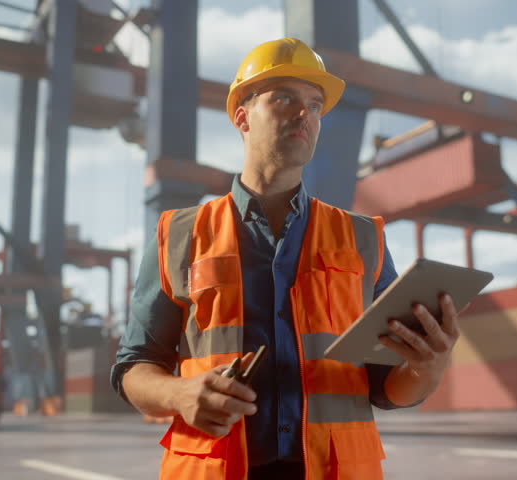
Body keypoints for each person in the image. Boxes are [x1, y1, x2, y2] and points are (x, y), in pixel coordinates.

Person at [111, 38, 464, 480]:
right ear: (242, 116)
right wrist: (179, 393)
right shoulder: (179, 234)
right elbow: (133, 366)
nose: (306, 114)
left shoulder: (363, 238)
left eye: (315, 105)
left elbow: (385, 388)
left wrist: (426, 368)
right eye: (285, 98)